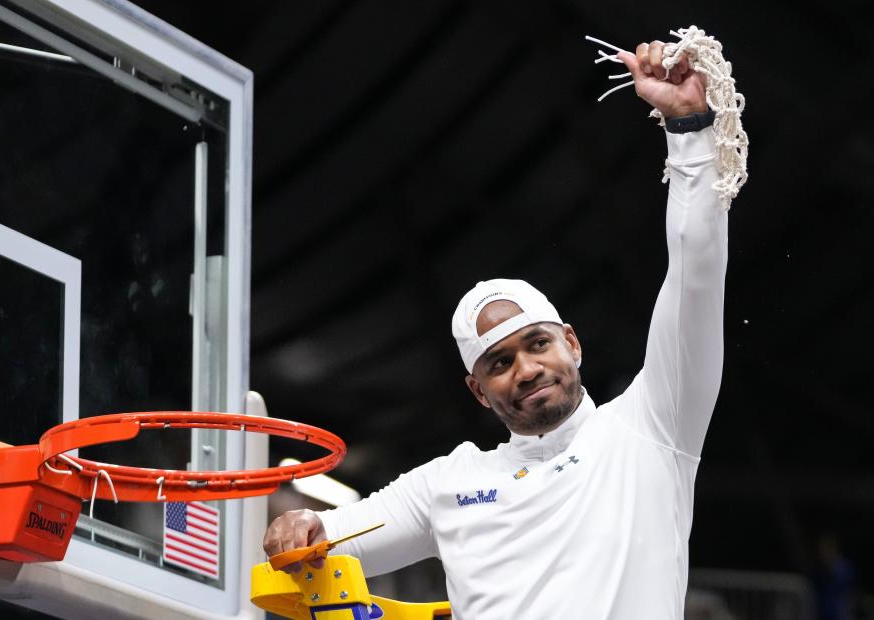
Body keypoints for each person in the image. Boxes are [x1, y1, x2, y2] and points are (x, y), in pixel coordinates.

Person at [263, 38, 730, 619]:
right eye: (499, 363)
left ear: (572, 343)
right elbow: (326, 534)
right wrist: (301, 520)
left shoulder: (653, 425)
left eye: (538, 344)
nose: (527, 370)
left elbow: (695, 275)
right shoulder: (447, 484)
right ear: (478, 390)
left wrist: (688, 131)